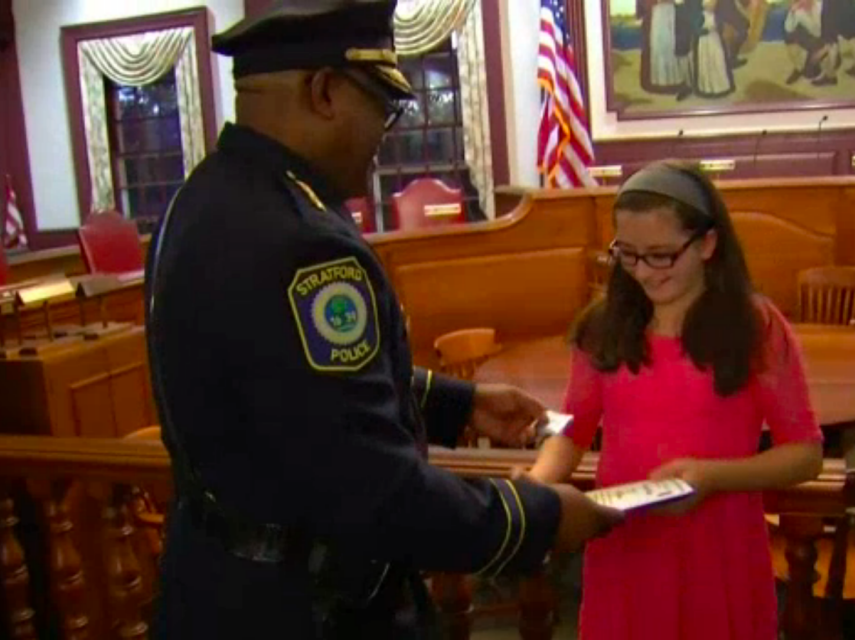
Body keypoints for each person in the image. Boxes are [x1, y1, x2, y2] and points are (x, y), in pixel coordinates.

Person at [145, 1, 622, 639]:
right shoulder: (305, 241)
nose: (384, 135)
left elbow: (290, 391)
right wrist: (536, 516)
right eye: (382, 108)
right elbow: (374, 490)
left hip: (214, 587)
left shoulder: (195, 201)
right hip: (312, 607)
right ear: (324, 91)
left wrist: (457, 402)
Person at [524, 161, 824, 639]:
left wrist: (713, 476)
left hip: (718, 548)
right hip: (626, 544)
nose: (643, 272)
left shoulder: (755, 328)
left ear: (707, 243)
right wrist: (537, 484)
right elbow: (570, 428)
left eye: (661, 255)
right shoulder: (603, 327)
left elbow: (805, 454)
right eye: (628, 255)